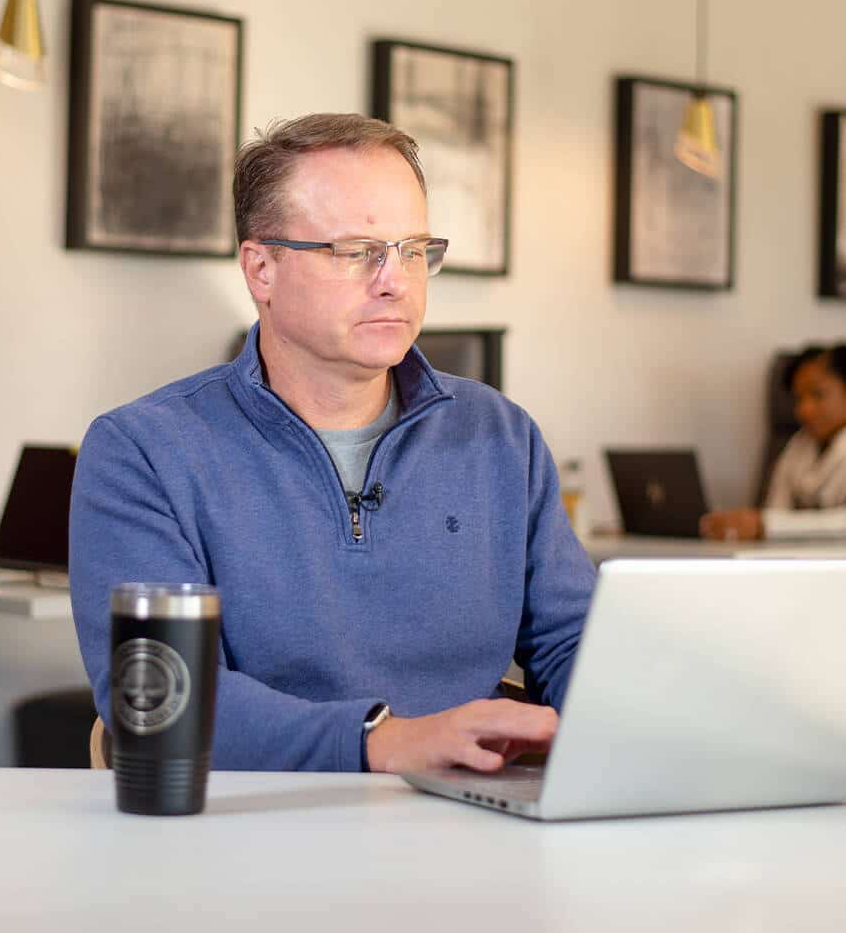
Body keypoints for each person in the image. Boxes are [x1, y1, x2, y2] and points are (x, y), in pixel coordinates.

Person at [69, 113, 596, 774]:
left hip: (471, 825)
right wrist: (380, 744)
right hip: (245, 839)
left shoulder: (498, 434)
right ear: (261, 270)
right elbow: (161, 698)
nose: (394, 280)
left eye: (412, 249)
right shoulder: (143, 451)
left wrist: (639, 724)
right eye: (355, 251)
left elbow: (577, 643)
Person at [700, 343, 846, 541]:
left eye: (817, 395)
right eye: (799, 398)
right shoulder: (800, 445)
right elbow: (775, 509)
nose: (804, 410)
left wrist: (767, 525)